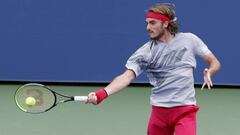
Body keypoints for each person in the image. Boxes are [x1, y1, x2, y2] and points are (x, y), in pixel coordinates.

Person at [86, 3, 221, 135]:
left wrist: (210, 71)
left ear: (166, 24)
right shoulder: (145, 52)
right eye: (147, 23)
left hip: (185, 111)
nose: (148, 27)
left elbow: (214, 62)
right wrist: (102, 94)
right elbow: (126, 77)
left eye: (152, 23)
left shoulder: (190, 40)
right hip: (159, 114)